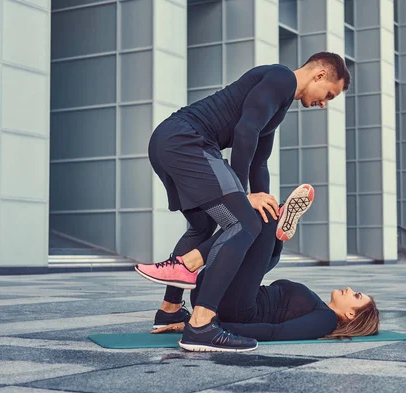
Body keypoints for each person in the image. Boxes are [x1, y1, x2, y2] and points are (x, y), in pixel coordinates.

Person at [135, 52, 352, 352]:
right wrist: (243, 196)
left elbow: (259, 163)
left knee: (203, 227)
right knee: (242, 221)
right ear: (319, 75)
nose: (324, 103)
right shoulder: (281, 78)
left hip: (168, 142)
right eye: (328, 94)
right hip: (187, 140)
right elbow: (244, 131)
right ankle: (200, 326)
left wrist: (270, 213)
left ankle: (170, 309)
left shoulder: (279, 101)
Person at [148, 191, 379, 352]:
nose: (350, 289)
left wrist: (207, 326)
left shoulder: (326, 320)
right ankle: (278, 236)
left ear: (351, 315)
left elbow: (275, 332)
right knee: (261, 223)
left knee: (263, 216)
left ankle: (190, 262)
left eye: (356, 296)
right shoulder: (317, 306)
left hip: (235, 309)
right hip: (215, 294)